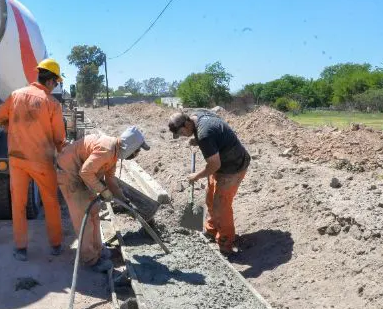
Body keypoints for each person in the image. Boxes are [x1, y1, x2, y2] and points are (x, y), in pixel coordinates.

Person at [0, 58, 67, 261]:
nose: (56, 86)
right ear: (51, 81)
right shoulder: (52, 103)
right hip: (42, 161)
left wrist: (11, 126)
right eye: (57, 82)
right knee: (51, 201)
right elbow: (59, 138)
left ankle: (21, 248)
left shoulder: (16, 95)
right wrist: (64, 154)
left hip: (17, 160)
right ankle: (55, 244)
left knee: (18, 204)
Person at [57, 126, 150, 272]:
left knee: (94, 211)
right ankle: (89, 259)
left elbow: (111, 180)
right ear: (130, 146)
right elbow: (86, 172)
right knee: (84, 220)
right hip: (70, 175)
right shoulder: (107, 150)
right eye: (137, 150)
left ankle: (98, 250)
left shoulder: (114, 153)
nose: (137, 154)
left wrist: (123, 200)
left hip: (81, 176)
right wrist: (103, 191)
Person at [168, 110, 251, 256]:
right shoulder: (197, 116)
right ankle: (212, 230)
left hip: (233, 167)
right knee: (210, 198)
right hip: (222, 162)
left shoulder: (204, 134)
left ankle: (226, 244)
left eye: (181, 133)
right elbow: (215, 133)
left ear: (187, 123)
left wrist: (196, 176)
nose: (182, 137)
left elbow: (214, 165)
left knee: (221, 206)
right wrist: (197, 140)